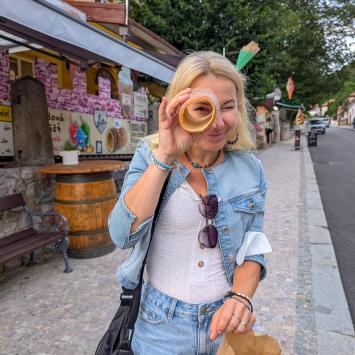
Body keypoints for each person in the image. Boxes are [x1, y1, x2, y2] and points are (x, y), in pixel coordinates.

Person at [108, 51, 272, 354]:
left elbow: (254, 245)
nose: (218, 121)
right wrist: (166, 156)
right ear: (180, 108)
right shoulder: (151, 155)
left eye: (228, 107)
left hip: (226, 324)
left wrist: (240, 298)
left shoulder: (251, 169)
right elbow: (122, 234)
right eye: (203, 108)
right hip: (160, 326)